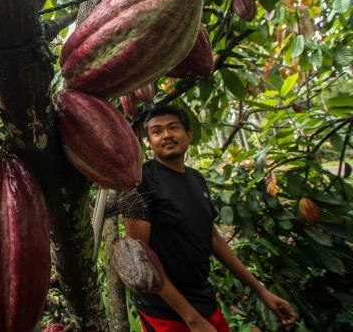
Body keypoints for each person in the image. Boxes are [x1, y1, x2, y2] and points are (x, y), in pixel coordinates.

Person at [123, 105, 297, 332]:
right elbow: (138, 259)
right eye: (156, 131)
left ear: (189, 135)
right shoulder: (142, 182)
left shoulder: (195, 179)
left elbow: (213, 238)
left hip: (204, 302)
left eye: (173, 128)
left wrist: (261, 290)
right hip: (166, 314)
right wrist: (191, 319)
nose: (166, 135)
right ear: (149, 142)